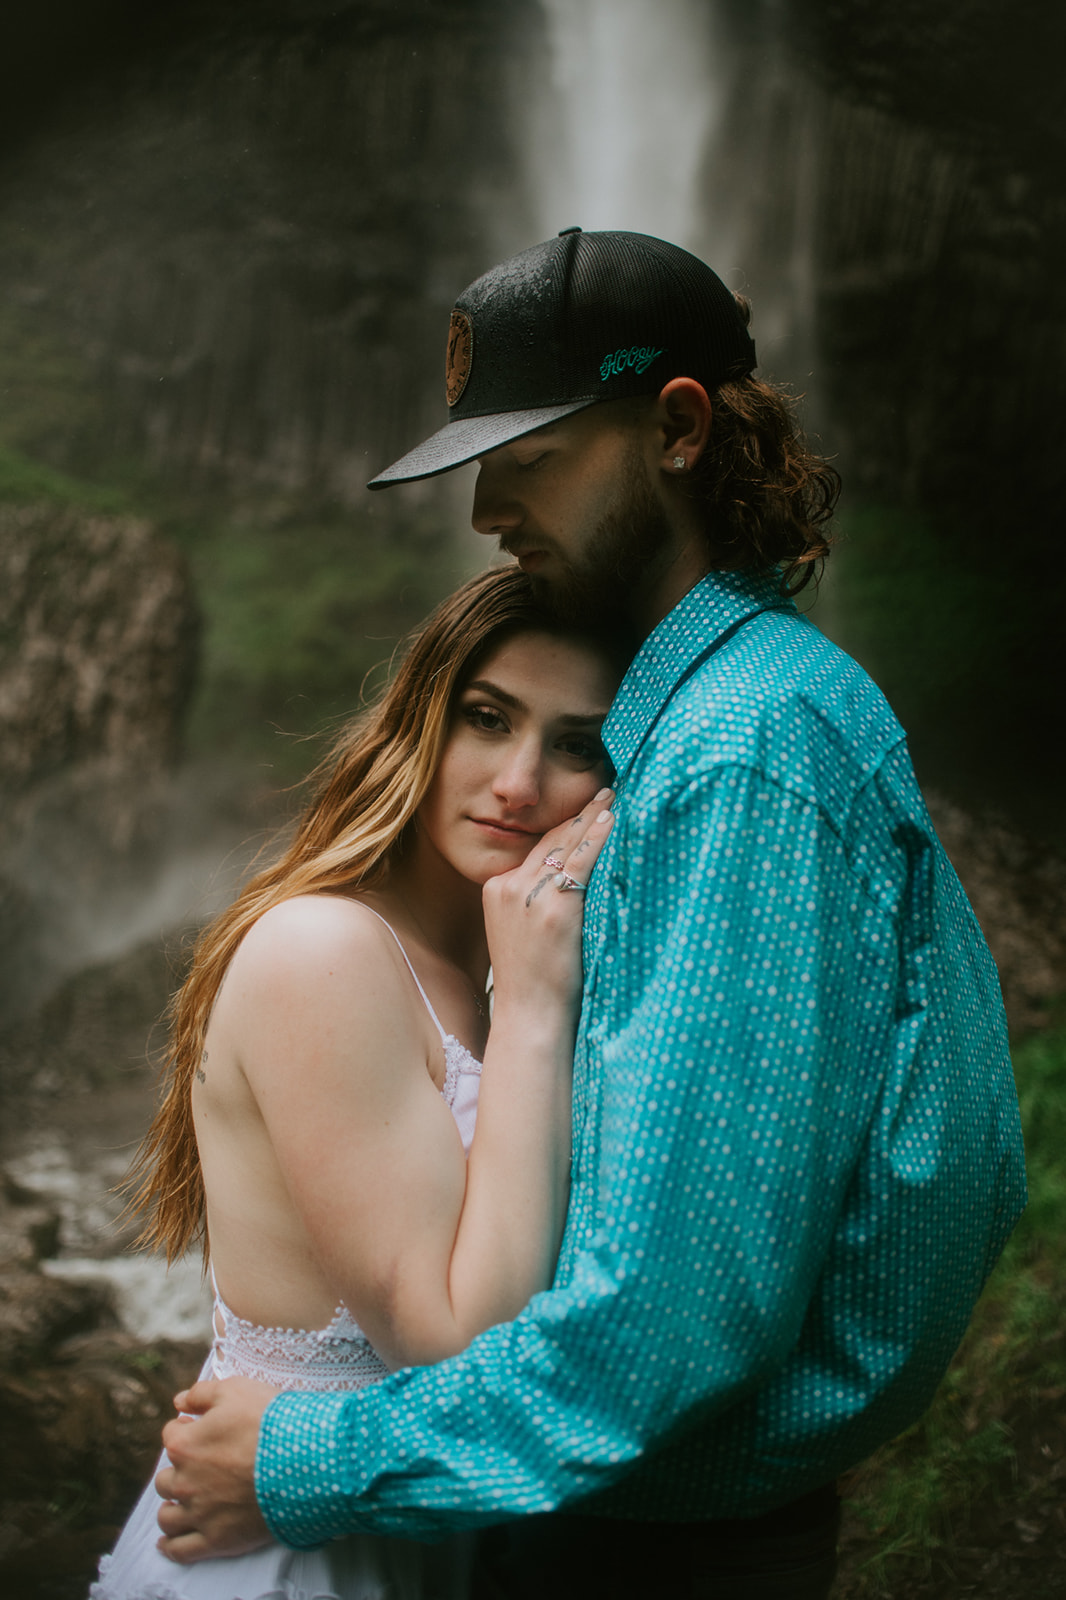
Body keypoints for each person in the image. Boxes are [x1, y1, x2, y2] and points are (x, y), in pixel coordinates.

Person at [155, 230, 1027, 1600]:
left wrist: (312, 1459)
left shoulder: (740, 750)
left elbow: (665, 1328)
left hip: (659, 1552)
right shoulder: (697, 732)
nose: (486, 507)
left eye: (530, 456)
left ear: (675, 429)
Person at [90, 564, 628, 1599]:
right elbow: (452, 1342)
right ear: (420, 723)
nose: (519, 782)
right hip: (282, 1566)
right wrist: (531, 1004)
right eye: (485, 717)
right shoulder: (326, 950)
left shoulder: (481, 967)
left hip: (415, 1536)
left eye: (575, 744)